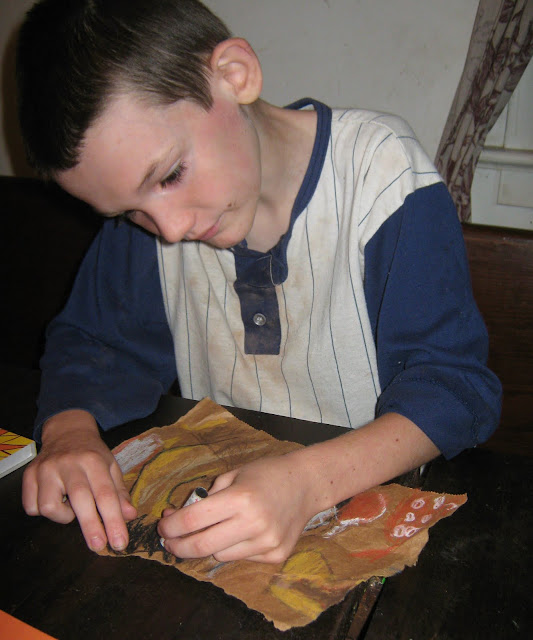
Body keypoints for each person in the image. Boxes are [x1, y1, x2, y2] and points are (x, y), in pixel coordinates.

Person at [16, 0, 501, 564]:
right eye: (129, 213)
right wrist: (69, 434)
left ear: (234, 75)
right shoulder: (156, 218)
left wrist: (306, 484)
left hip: (380, 520)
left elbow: (453, 385)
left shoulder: (381, 174)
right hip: (231, 527)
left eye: (171, 174)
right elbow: (96, 344)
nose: (169, 229)